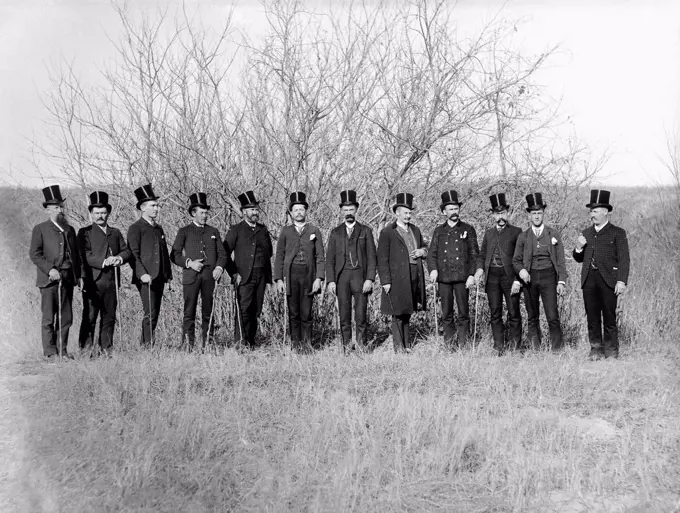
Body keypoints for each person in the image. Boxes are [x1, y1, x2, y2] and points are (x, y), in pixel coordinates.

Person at [573, 189, 630, 359]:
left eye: (595, 211)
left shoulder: (618, 233)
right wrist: (578, 247)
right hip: (589, 280)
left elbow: (624, 260)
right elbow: (577, 258)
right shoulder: (586, 233)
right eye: (591, 211)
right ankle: (596, 349)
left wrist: (621, 281)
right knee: (592, 316)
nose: (592, 215)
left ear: (606, 212)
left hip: (609, 280)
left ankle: (611, 351)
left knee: (609, 316)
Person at [29, 185, 82, 360]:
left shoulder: (70, 230)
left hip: (67, 279)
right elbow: (35, 254)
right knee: (48, 318)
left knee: (66, 317)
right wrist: (50, 269)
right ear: (47, 210)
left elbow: (76, 256)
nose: (60, 210)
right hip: (48, 280)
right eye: (56, 207)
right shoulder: (40, 229)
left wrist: (78, 276)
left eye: (61, 207)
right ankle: (50, 353)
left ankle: (62, 351)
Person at [171, 192, 228, 350]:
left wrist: (219, 267)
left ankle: (207, 344)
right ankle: (187, 345)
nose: (204, 215)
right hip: (191, 277)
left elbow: (222, 254)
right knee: (189, 311)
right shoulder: (184, 231)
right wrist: (189, 263)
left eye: (206, 212)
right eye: (201, 212)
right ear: (193, 213)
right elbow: (174, 255)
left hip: (210, 277)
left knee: (208, 311)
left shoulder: (213, 231)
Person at [77, 191, 131, 356]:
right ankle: (86, 351)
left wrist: (119, 259)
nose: (100, 216)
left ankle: (105, 349)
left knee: (109, 317)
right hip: (93, 281)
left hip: (112, 281)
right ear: (91, 214)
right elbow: (85, 254)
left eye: (103, 212)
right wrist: (104, 261)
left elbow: (126, 251)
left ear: (108, 213)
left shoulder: (115, 232)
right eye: (97, 213)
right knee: (90, 317)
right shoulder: (84, 232)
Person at [513, 192, 567, 351]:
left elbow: (561, 260)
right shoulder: (523, 236)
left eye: (539, 213)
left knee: (552, 315)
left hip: (548, 276)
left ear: (543, 214)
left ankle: (557, 349)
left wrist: (561, 281)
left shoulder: (553, 234)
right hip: (530, 278)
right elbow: (516, 260)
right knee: (532, 315)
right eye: (533, 213)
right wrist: (521, 270)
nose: (536, 216)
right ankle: (535, 349)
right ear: (529, 215)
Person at [325, 190, 377, 352]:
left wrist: (369, 279)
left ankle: (361, 345)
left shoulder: (366, 231)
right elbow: (330, 259)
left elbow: (372, 257)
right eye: (346, 210)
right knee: (344, 313)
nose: (349, 213)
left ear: (356, 210)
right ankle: (346, 346)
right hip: (342, 277)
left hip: (359, 276)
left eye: (351, 209)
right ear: (341, 211)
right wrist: (331, 280)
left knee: (361, 313)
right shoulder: (335, 232)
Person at [273, 192, 325, 352]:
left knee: (306, 312)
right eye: (295, 210)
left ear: (306, 211)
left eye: (301, 209)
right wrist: (279, 279)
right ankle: (295, 344)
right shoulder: (286, 231)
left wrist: (319, 278)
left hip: (308, 276)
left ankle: (307, 345)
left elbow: (320, 256)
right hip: (291, 275)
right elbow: (279, 256)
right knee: (293, 312)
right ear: (291, 213)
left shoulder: (314, 230)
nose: (299, 212)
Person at [427, 190, 479, 348]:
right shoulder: (439, 231)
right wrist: (433, 270)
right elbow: (432, 254)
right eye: (450, 209)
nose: (454, 212)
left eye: (456, 208)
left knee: (463, 313)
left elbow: (474, 255)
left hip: (463, 278)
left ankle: (464, 344)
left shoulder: (468, 229)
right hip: (444, 278)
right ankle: (449, 344)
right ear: (444, 212)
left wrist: (472, 275)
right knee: (446, 313)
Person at [377, 192, 428, 353]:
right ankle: (398, 347)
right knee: (397, 313)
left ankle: (407, 345)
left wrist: (422, 252)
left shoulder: (415, 230)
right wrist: (385, 281)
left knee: (408, 312)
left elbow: (426, 248)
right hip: (396, 278)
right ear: (397, 213)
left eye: (410, 212)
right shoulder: (387, 232)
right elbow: (382, 259)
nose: (408, 215)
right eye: (405, 212)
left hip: (414, 276)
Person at [474, 193, 523, 355]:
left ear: (507, 213)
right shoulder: (488, 233)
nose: (500, 217)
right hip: (492, 278)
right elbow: (481, 255)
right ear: (493, 215)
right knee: (495, 312)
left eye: (503, 213)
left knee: (514, 312)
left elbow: (520, 258)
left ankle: (516, 347)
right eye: (497, 213)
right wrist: (480, 269)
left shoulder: (516, 232)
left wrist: (517, 280)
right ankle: (498, 347)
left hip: (509, 277)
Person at [224, 190, 273, 348]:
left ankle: (251, 342)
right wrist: (234, 273)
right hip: (243, 277)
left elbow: (269, 252)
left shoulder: (263, 230)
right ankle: (240, 343)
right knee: (243, 309)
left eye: (257, 210)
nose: (255, 213)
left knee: (256, 310)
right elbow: (224, 254)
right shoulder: (236, 230)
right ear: (244, 212)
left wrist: (268, 277)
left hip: (261, 276)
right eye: (252, 210)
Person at [126, 183, 172, 347]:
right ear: (143, 208)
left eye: (157, 205)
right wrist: (142, 274)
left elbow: (164, 253)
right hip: (145, 277)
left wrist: (168, 274)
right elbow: (133, 254)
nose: (156, 209)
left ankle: (147, 343)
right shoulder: (135, 228)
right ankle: (147, 346)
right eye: (153, 206)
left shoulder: (158, 228)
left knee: (155, 312)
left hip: (159, 276)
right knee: (150, 312)